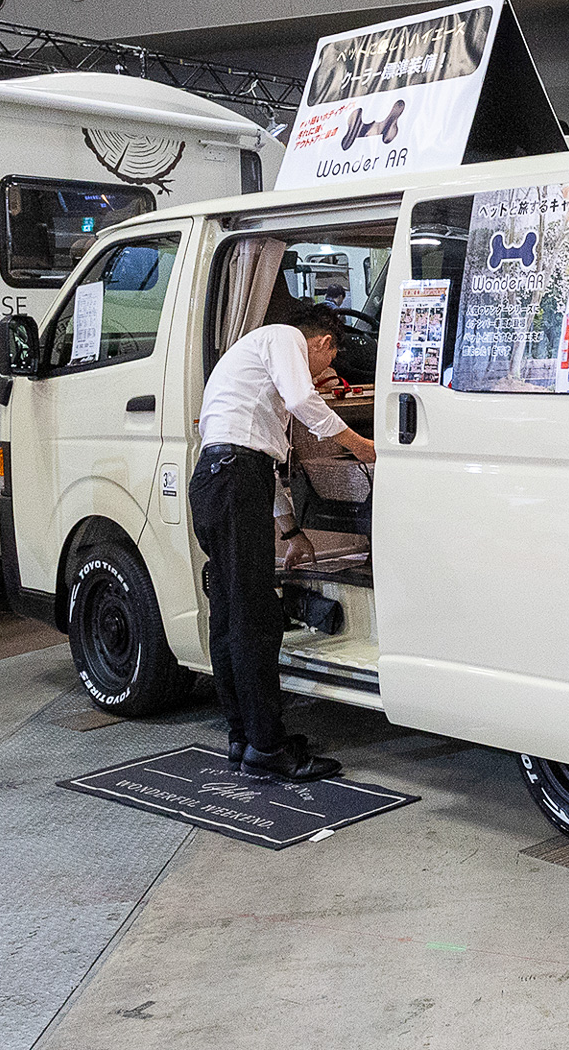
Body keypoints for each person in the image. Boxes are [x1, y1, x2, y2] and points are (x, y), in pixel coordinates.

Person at [191, 305, 375, 781]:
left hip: (219, 480)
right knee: (253, 617)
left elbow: (255, 453)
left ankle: (245, 737)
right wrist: (361, 445)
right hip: (233, 479)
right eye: (327, 366)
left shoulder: (253, 360)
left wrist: (290, 531)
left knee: (231, 613)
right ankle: (268, 747)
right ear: (322, 344)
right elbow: (300, 401)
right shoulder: (285, 338)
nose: (325, 376)